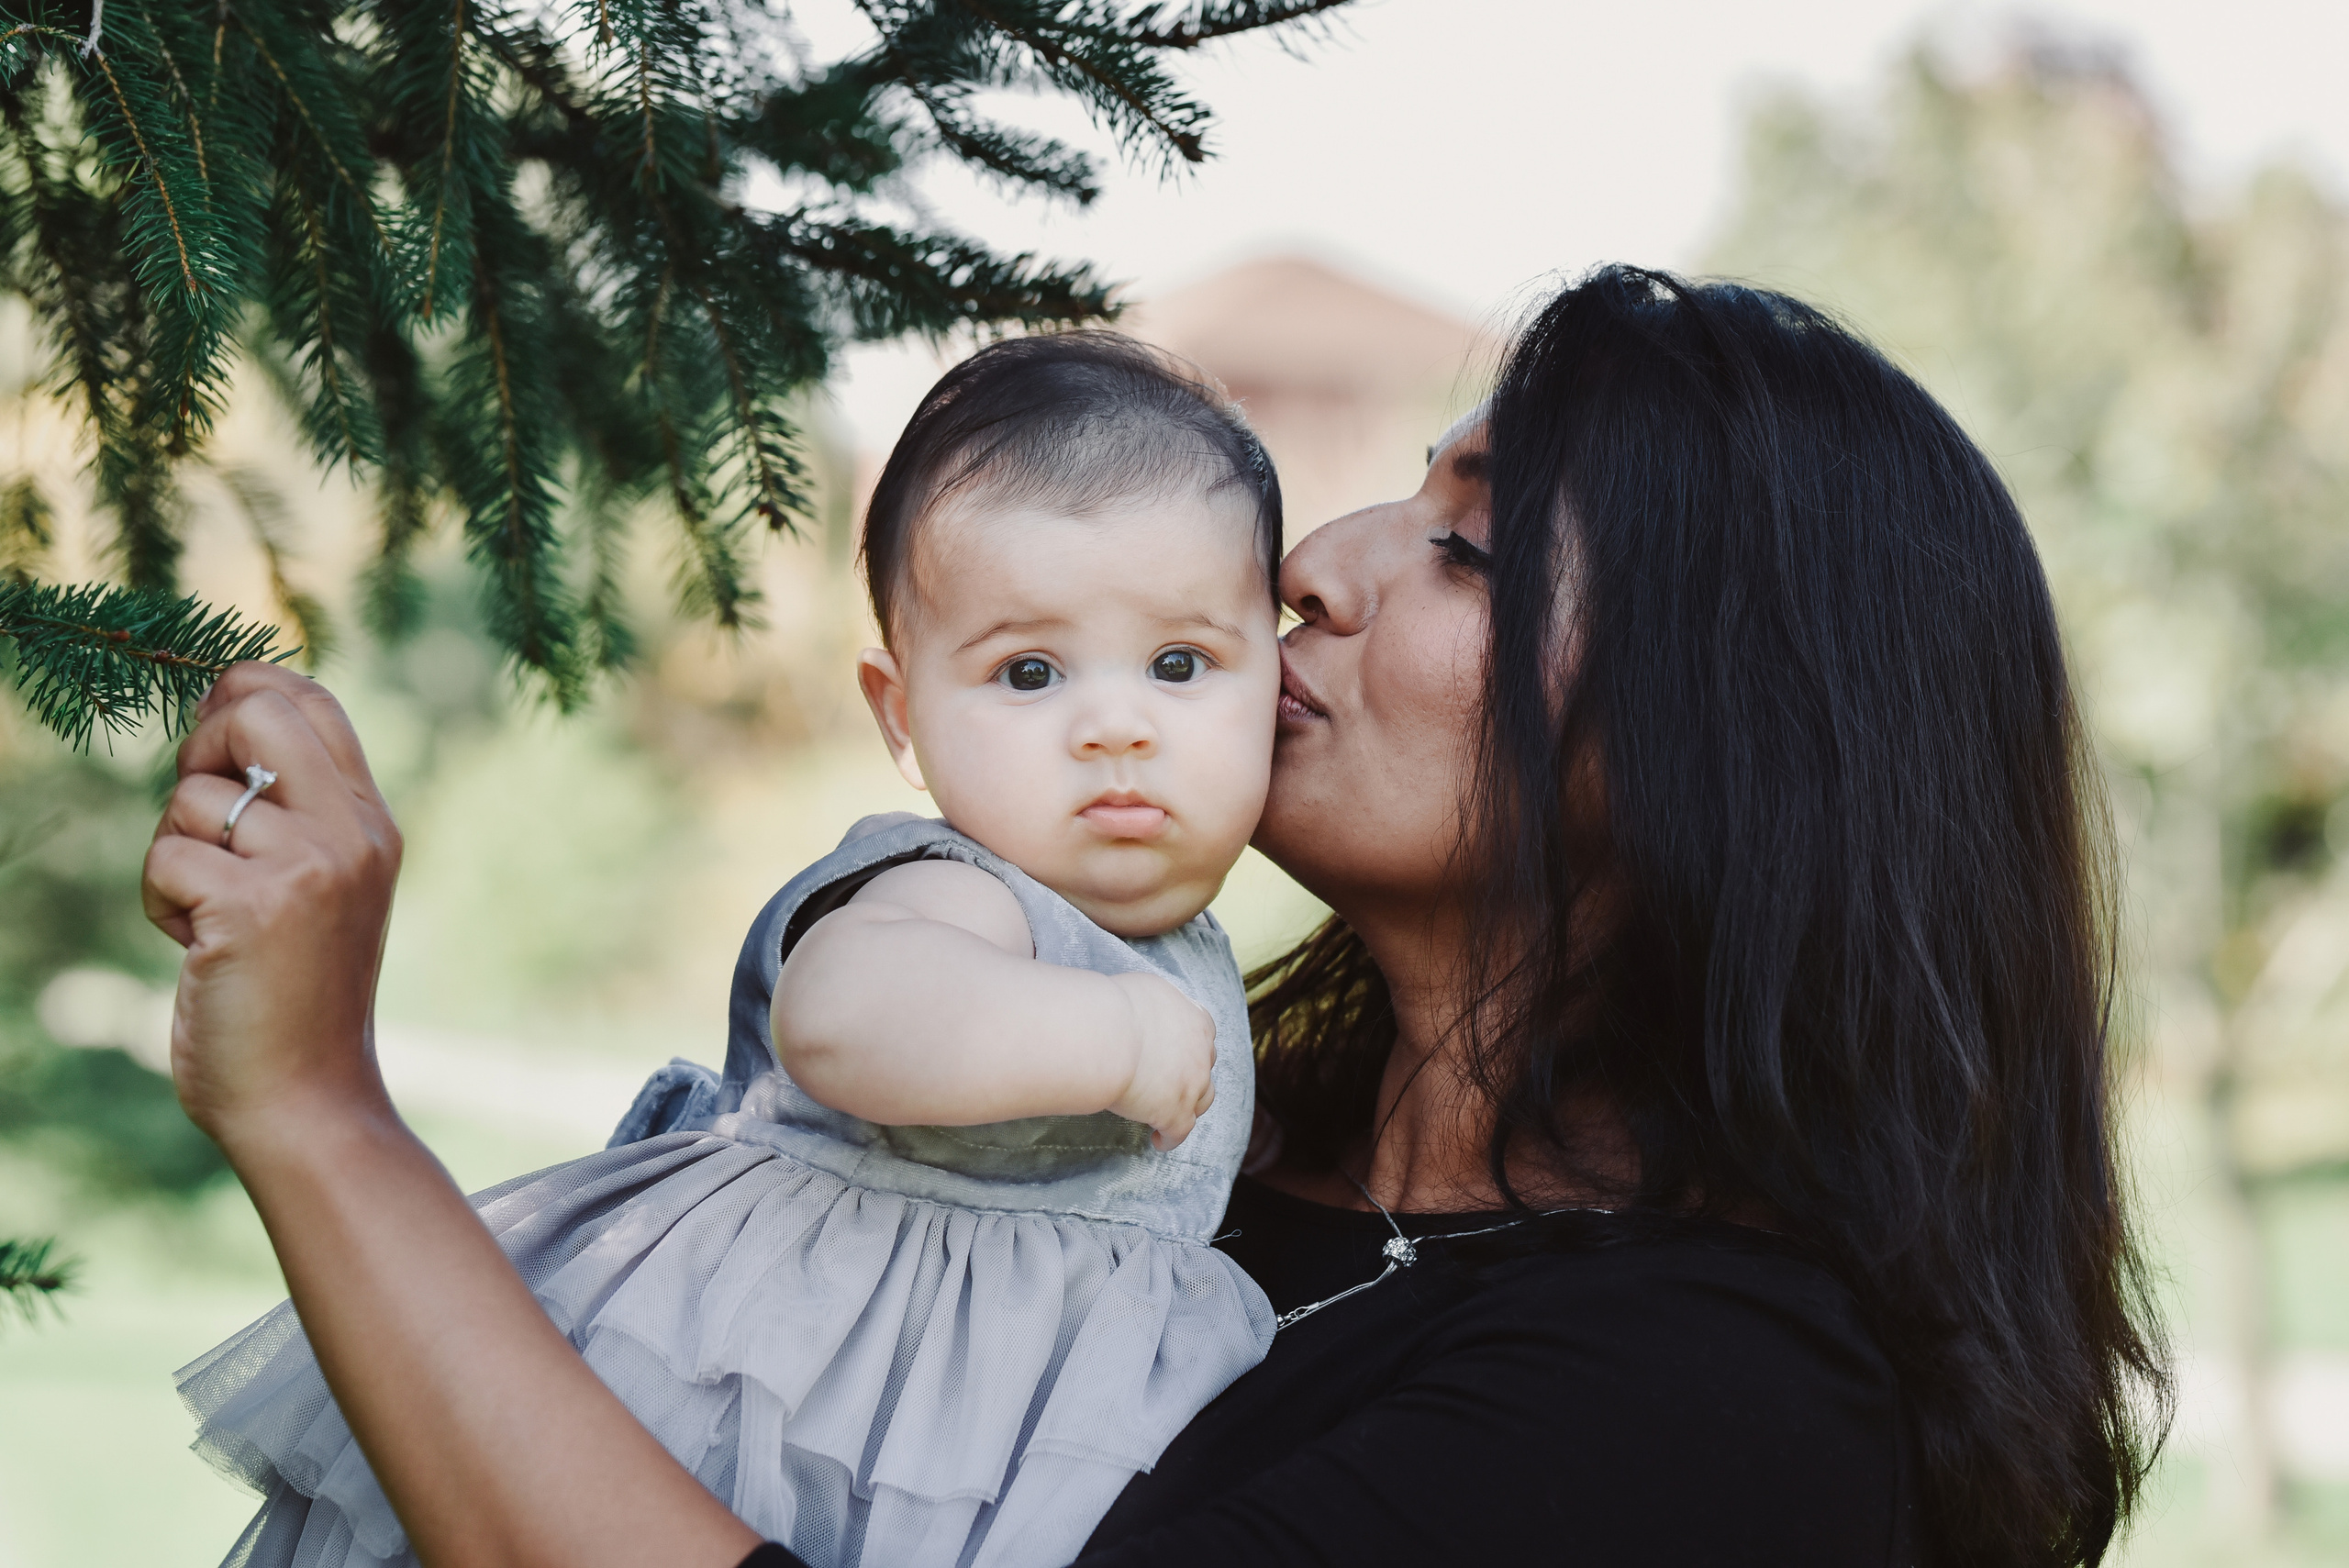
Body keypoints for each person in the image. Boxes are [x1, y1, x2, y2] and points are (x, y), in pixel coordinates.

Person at [147, 266, 2170, 1568]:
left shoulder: (1704, 1402)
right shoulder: (1152, 1124)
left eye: (1465, 544)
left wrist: (321, 1112)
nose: (1331, 562)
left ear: (1712, 740)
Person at [171, 334, 1287, 1568]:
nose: (1117, 725)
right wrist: (1116, 1037)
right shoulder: (959, 891)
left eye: (1181, 664)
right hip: (792, 1403)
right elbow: (849, 1016)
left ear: (1275, 680)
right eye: (1030, 672)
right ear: (902, 717)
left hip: (970, 1437)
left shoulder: (1185, 947)